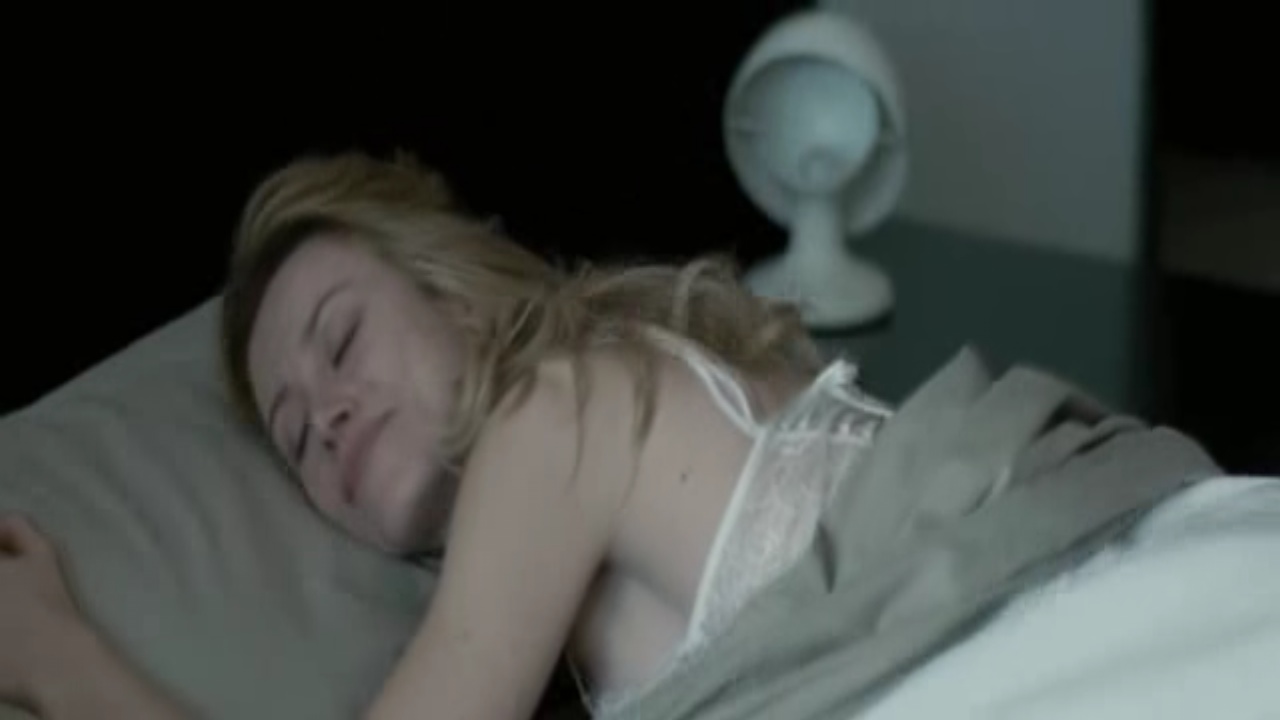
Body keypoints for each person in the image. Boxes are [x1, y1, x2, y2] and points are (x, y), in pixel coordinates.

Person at [0, 150, 892, 719]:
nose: (327, 416)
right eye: (296, 437)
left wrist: (59, 659)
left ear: (453, 292)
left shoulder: (552, 413)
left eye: (342, 340)